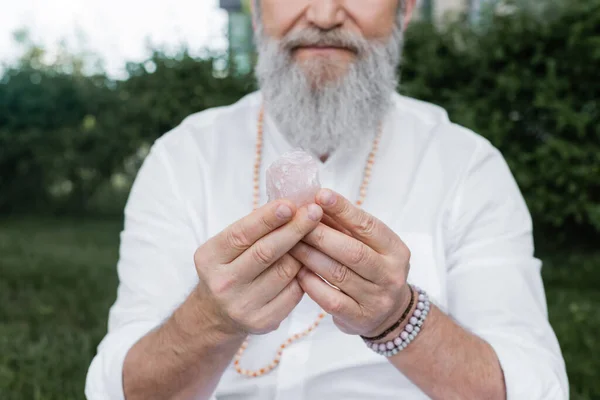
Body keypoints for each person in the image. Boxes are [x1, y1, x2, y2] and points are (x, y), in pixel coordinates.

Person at [85, 0, 569, 399]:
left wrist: (397, 319)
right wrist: (209, 321)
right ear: (255, 12)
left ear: (405, 12)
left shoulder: (466, 165)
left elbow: (534, 386)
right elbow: (121, 389)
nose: (322, 14)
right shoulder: (183, 157)